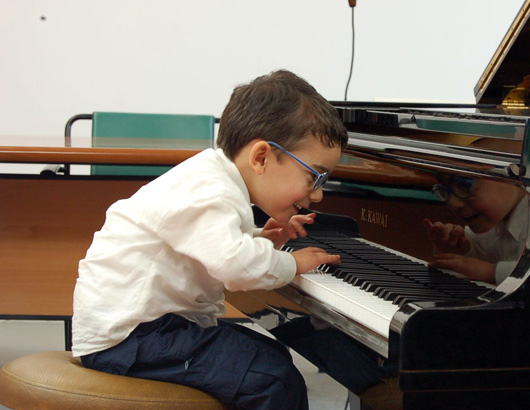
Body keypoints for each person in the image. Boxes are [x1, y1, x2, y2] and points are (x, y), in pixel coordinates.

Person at [71, 70, 348, 410]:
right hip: (129, 337)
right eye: (313, 176)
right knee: (271, 378)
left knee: (270, 354)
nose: (318, 195)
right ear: (261, 157)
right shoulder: (211, 191)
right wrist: (293, 262)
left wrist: (262, 238)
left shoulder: (214, 180)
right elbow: (234, 265)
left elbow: (209, 244)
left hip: (148, 328)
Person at [423, 173, 528, 285]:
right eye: (445, 191)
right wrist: (460, 253)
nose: (452, 204)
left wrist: (492, 272)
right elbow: (476, 266)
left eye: (465, 185)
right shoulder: (489, 225)